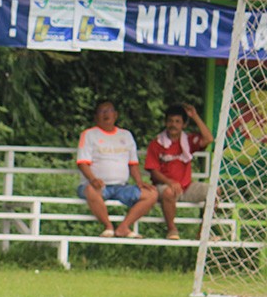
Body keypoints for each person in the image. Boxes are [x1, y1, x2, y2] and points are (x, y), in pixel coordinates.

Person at [76, 100, 158, 238]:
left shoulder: (126, 135)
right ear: (96, 117)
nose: (106, 114)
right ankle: (108, 226)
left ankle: (124, 227)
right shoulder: (89, 134)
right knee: (91, 190)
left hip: (121, 187)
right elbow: (82, 163)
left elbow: (133, 163)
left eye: (109, 111)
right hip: (97, 186)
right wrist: (93, 179)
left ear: (116, 115)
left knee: (151, 194)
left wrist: (139, 181)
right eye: (102, 111)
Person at [145, 103, 214, 240]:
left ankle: (203, 232)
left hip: (186, 187)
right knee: (169, 192)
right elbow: (153, 171)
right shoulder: (156, 143)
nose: (173, 125)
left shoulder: (187, 140)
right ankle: (172, 230)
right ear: (165, 122)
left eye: (177, 121)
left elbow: (208, 139)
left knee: (214, 192)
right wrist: (170, 182)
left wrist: (194, 116)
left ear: (184, 125)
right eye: (170, 121)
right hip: (164, 187)